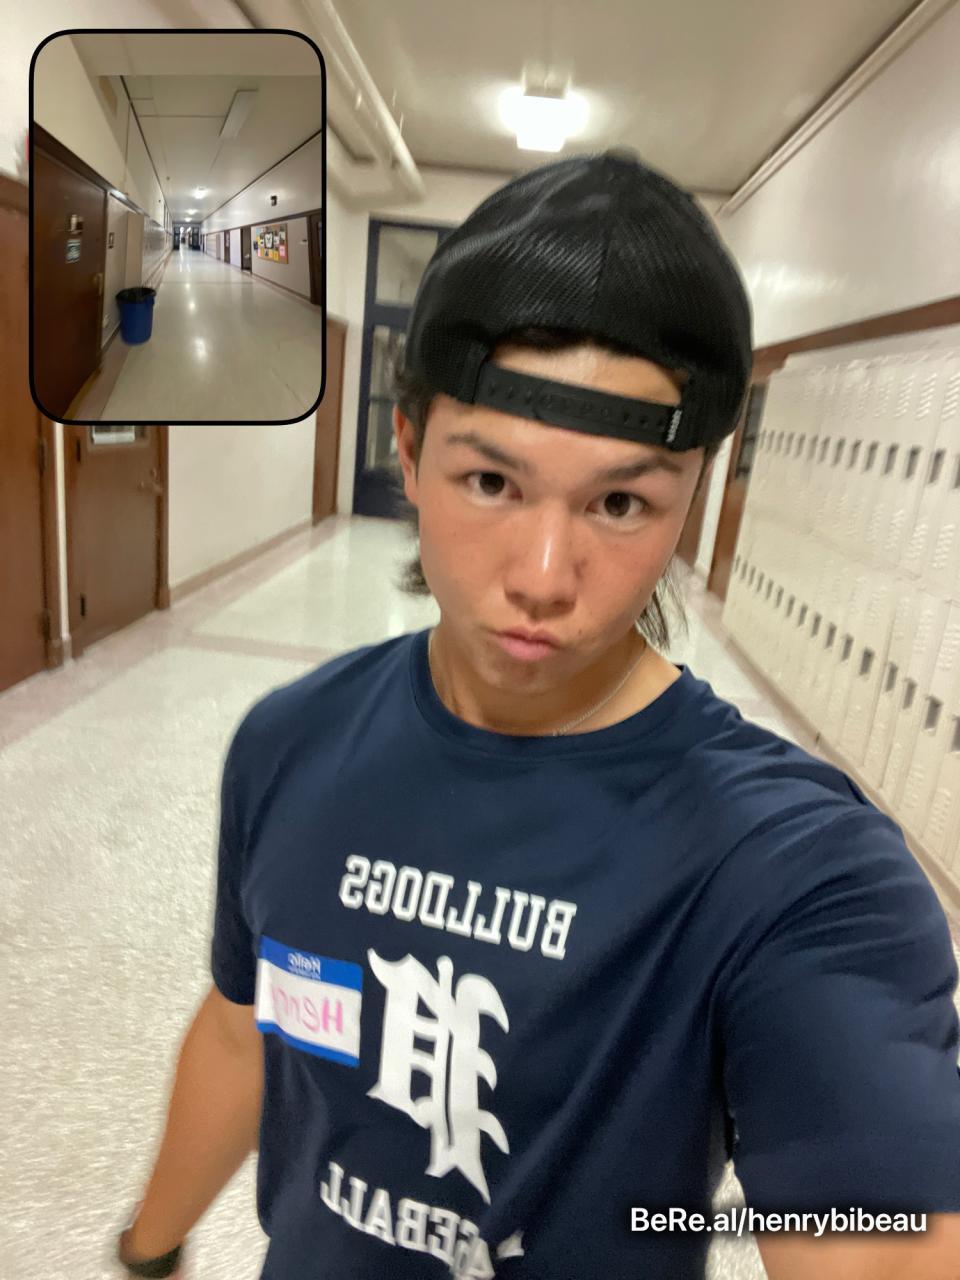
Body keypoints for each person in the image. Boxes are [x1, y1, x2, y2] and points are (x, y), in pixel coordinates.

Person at [115, 151, 960, 1279]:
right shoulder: (291, 742)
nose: (545, 576)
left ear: (689, 501)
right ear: (408, 451)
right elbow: (242, 1029)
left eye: (621, 501)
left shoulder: (796, 866)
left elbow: (887, 1235)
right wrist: (148, 1247)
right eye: (492, 482)